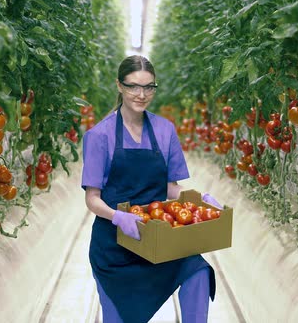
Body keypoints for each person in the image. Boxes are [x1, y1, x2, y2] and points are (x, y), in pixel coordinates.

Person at [81, 55, 222, 323]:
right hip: (115, 250)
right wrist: (117, 216)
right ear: (119, 86)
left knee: (198, 269)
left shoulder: (164, 130)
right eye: (133, 86)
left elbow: (169, 187)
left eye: (148, 87)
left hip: (158, 240)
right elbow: (92, 198)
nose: (141, 94)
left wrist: (199, 200)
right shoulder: (100, 135)